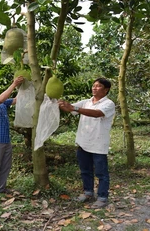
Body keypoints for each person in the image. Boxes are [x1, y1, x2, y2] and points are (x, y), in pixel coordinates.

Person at [58, 77, 115, 209]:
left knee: (101, 173)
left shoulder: (108, 104)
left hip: (98, 144)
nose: (94, 88)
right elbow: (70, 109)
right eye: (93, 85)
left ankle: (102, 197)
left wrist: (75, 108)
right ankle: (88, 192)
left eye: (98, 86)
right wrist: (58, 102)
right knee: (85, 170)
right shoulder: (86, 102)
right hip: (83, 142)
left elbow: (97, 114)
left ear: (106, 90)